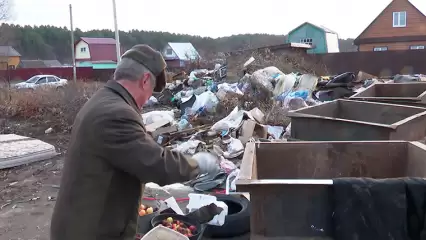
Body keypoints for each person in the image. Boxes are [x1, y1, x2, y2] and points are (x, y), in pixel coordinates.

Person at [50, 45, 218, 240]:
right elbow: (156, 164)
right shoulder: (116, 114)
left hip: (83, 223)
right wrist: (196, 163)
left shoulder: (103, 100)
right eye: (150, 91)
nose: (147, 100)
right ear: (145, 79)